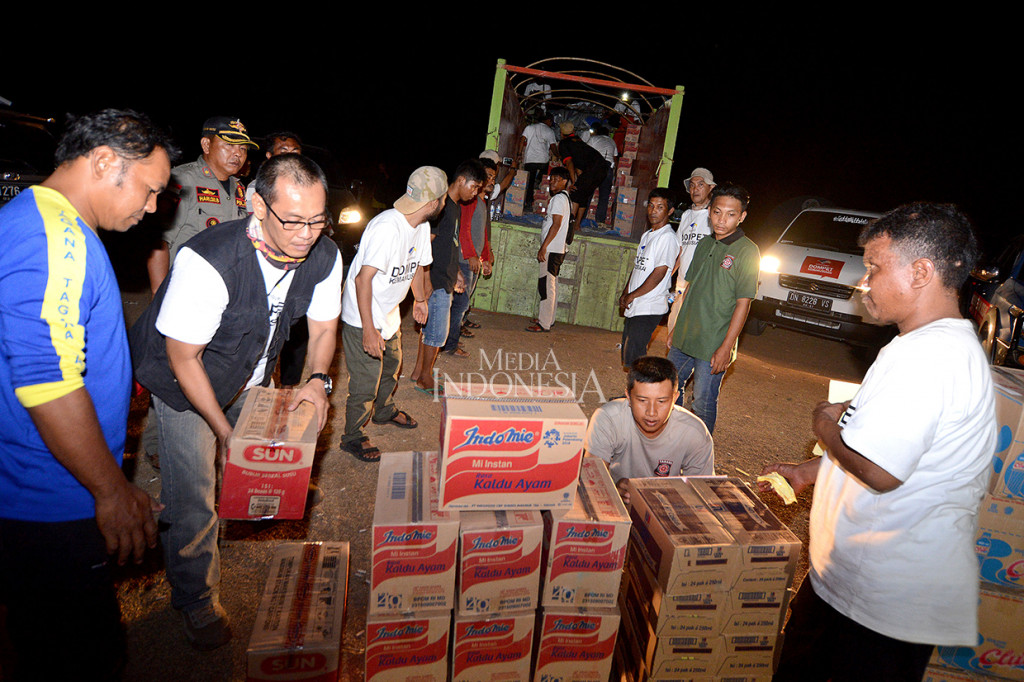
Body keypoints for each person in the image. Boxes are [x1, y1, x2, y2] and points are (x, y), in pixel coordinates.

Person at [761, 203, 995, 682]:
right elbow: (887, 445)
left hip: (882, 606)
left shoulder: (933, 358)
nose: (863, 282)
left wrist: (823, 425)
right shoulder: (918, 345)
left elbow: (880, 470)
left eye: (874, 268)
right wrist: (813, 472)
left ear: (922, 271)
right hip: (849, 586)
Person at [131, 154, 342, 650]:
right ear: (256, 205)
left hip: (248, 371)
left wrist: (315, 379)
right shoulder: (209, 260)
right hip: (184, 380)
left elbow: (324, 326)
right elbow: (184, 359)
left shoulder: (326, 254)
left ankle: (166, 492)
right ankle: (197, 597)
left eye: (317, 219)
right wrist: (225, 433)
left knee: (237, 470)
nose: (306, 233)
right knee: (196, 491)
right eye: (292, 220)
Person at [0, 108, 175, 680]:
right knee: (79, 658)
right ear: (104, 163)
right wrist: (111, 491)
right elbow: (47, 379)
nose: (152, 208)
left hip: (50, 486)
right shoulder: (56, 237)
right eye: (149, 190)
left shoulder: (49, 223)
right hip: (48, 500)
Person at [339, 166, 445, 461]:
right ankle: (353, 436)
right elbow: (362, 279)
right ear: (432, 202)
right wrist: (369, 329)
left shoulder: (421, 226)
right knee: (366, 380)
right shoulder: (387, 228)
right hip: (363, 313)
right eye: (443, 198)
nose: (445, 204)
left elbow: (417, 266)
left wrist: (420, 300)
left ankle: (384, 411)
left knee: (393, 363)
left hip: (388, 311)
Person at [665, 183, 759, 434]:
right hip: (686, 334)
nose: (722, 219)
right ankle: (673, 439)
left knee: (703, 402)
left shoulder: (748, 251)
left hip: (713, 342)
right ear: (709, 211)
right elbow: (690, 289)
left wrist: (726, 347)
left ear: (742, 217)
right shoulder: (705, 244)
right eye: (717, 212)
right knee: (668, 389)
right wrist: (676, 327)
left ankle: (699, 457)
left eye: (730, 214)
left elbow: (743, 302)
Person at [146, 115, 257, 293]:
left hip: (224, 290)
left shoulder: (239, 189)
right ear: (206, 145)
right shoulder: (182, 180)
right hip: (185, 289)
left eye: (243, 148)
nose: (238, 153)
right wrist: (158, 296)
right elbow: (159, 243)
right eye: (229, 145)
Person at [584, 356, 713, 505]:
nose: (651, 412)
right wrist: (612, 489)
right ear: (628, 397)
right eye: (642, 400)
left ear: (675, 398)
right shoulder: (608, 418)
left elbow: (701, 496)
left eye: (662, 401)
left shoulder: (695, 433)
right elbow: (590, 479)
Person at [410, 159, 485, 393]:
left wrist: (459, 274)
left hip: (446, 275)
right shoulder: (442, 208)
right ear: (461, 180)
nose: (475, 193)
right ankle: (425, 378)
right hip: (437, 279)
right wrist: (426, 280)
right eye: (474, 187)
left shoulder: (454, 207)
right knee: (436, 334)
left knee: (429, 328)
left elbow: (451, 245)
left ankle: (417, 372)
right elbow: (426, 245)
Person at [619, 188, 680, 367]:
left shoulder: (667, 238)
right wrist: (626, 292)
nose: (653, 211)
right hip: (638, 302)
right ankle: (635, 393)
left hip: (649, 305)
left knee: (636, 355)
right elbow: (638, 267)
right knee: (630, 352)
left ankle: (640, 394)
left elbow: (659, 273)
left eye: (660, 207)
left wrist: (633, 295)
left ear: (669, 211)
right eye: (651, 206)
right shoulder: (648, 235)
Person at [444, 157, 498, 356]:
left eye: (493, 177)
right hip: (464, 261)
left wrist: (484, 257)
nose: (491, 180)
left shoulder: (481, 202)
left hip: (472, 260)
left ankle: (451, 341)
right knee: (459, 304)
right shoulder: (470, 201)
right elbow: (464, 229)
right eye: (487, 176)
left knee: (462, 304)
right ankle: (449, 344)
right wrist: (471, 255)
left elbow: (482, 233)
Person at [526, 166, 571, 333]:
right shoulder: (565, 198)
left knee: (546, 285)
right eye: (551, 179)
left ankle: (544, 323)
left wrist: (544, 247)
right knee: (552, 283)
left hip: (552, 248)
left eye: (556, 179)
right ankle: (548, 319)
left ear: (565, 181)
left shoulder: (559, 199)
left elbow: (556, 224)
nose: (552, 182)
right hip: (557, 248)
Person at [557, 121, 609, 230]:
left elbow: (570, 163)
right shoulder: (578, 141)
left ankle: (569, 225)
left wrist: (573, 182)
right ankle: (576, 225)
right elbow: (579, 165)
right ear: (573, 131)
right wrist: (579, 180)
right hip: (603, 167)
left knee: (575, 193)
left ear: (561, 133)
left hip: (593, 168)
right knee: (583, 194)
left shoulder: (564, 143)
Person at [674, 167, 715, 280]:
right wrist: (668, 276)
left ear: (711, 188)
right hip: (682, 281)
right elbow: (680, 251)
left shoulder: (715, 215)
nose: (695, 189)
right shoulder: (686, 215)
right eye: (692, 185)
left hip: (701, 283)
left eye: (700, 185)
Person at [245, 131, 302, 211]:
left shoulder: (310, 185)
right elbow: (252, 220)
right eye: (283, 153)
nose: (290, 157)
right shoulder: (256, 187)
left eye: (295, 153)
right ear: (269, 156)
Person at [518, 112, 557, 213]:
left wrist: (519, 153)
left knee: (529, 184)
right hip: (542, 160)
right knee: (544, 170)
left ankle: (528, 205)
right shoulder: (549, 131)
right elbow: (553, 146)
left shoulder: (529, 128)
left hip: (529, 159)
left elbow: (522, 140)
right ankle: (539, 180)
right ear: (548, 120)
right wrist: (558, 155)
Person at [586, 123, 618, 225]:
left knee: (588, 193)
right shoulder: (612, 141)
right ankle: (600, 221)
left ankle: (581, 217)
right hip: (608, 167)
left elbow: (586, 152)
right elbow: (615, 157)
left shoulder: (594, 139)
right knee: (604, 196)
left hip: (596, 165)